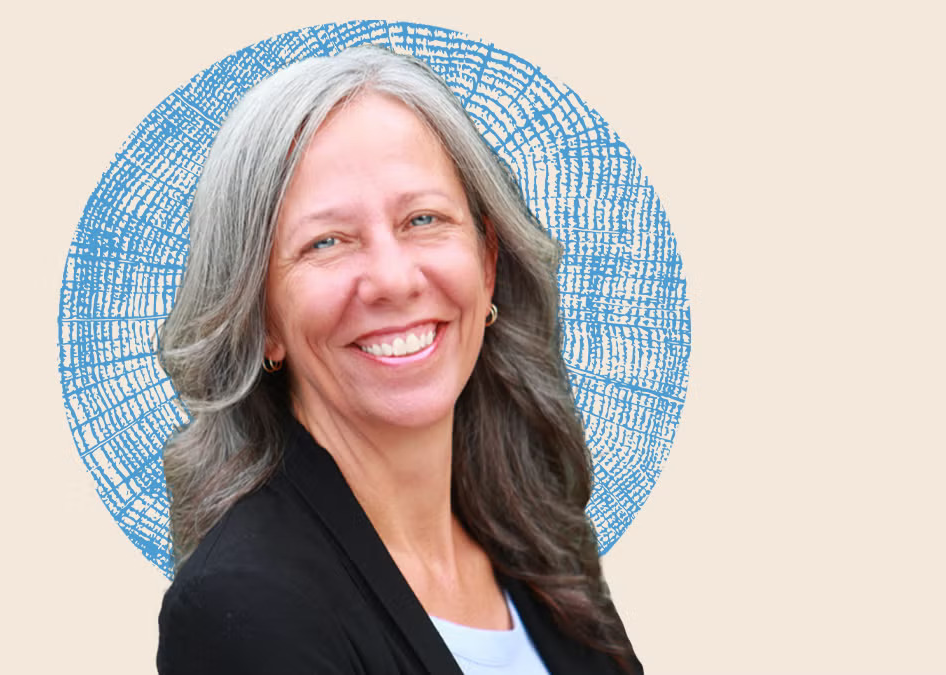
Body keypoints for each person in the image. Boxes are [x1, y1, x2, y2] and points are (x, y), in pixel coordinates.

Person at [155, 44, 641, 674]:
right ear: (262, 320)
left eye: (423, 219)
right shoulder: (243, 611)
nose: (393, 279)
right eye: (326, 241)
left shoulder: (548, 556)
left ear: (488, 264)